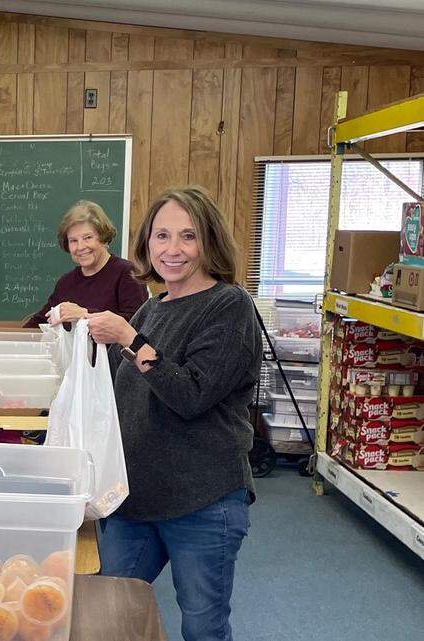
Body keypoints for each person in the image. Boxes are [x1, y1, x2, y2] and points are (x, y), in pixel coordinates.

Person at [85, 186, 261, 641]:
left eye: (188, 236)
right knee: (112, 614)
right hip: (136, 500)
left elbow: (190, 395)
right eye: (161, 236)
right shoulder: (152, 307)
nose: (172, 249)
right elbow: (126, 393)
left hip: (203, 502)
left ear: (209, 242)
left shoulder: (229, 306)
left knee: (202, 626)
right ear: (147, 243)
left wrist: (130, 338)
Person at [23, 200, 147, 328]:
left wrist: (85, 314)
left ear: (103, 237)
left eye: (88, 238)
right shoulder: (65, 283)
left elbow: (137, 323)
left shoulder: (127, 273)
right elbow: (40, 321)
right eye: (73, 241)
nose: (80, 247)